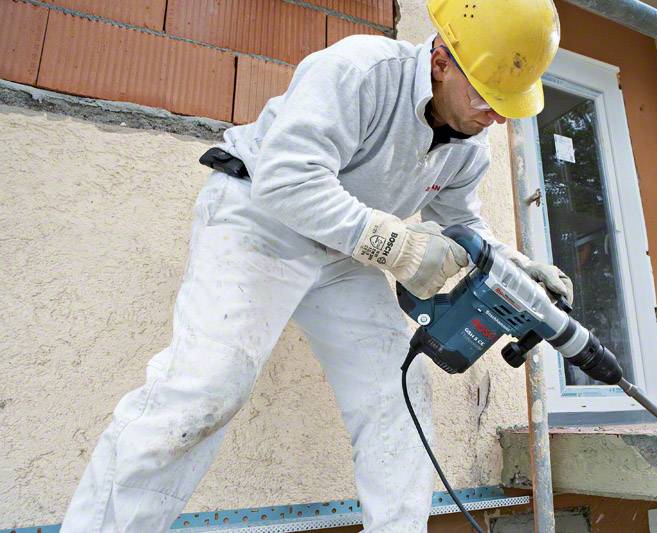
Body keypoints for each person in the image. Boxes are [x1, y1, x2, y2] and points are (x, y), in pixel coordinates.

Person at [61, 0, 567, 530]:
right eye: (488, 94)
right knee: (210, 385)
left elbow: (462, 222)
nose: (497, 115)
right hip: (260, 217)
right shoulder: (361, 70)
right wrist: (399, 247)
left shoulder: (470, 145)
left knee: (399, 389)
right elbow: (287, 179)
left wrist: (511, 267)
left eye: (508, 102)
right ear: (441, 61)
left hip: (343, 248)